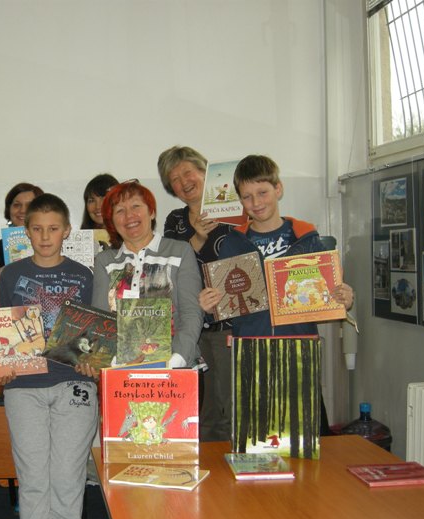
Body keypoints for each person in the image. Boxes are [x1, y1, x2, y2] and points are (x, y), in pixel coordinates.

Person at [198, 155, 355, 435]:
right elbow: (224, 302)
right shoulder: (233, 243)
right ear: (240, 200)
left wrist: (344, 296)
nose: (256, 203)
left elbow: (328, 293)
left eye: (262, 193)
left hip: (299, 349)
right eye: (247, 197)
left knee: (301, 435)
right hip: (251, 351)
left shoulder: (306, 237)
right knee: (256, 437)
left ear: (278, 189)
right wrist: (208, 307)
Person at [0, 193, 96, 519]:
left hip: (74, 383)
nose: (44, 236)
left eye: (53, 229)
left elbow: (95, 332)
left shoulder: (84, 275)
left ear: (67, 231)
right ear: (26, 231)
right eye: (37, 229)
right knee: (33, 478)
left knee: (68, 478)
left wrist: (93, 360)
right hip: (24, 386)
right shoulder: (12, 274)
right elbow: (3, 327)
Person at [158, 145, 234, 442]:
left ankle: (231, 462)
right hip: (191, 324)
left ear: (205, 172)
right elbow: (169, 268)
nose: (184, 182)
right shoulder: (175, 220)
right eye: (174, 179)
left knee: (230, 402)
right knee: (201, 406)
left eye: (188, 172)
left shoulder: (235, 209)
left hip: (234, 322)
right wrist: (199, 237)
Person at [92, 180, 203, 369]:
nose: (129, 216)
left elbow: (191, 313)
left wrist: (175, 361)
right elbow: (100, 321)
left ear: (151, 212)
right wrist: (117, 363)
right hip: (120, 368)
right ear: (112, 221)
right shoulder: (105, 261)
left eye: (136, 206)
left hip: (177, 366)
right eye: (120, 211)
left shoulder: (180, 251)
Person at [0, 182, 44, 281]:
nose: (22, 210)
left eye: (30, 205)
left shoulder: (50, 245)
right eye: (17, 205)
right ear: (9, 209)